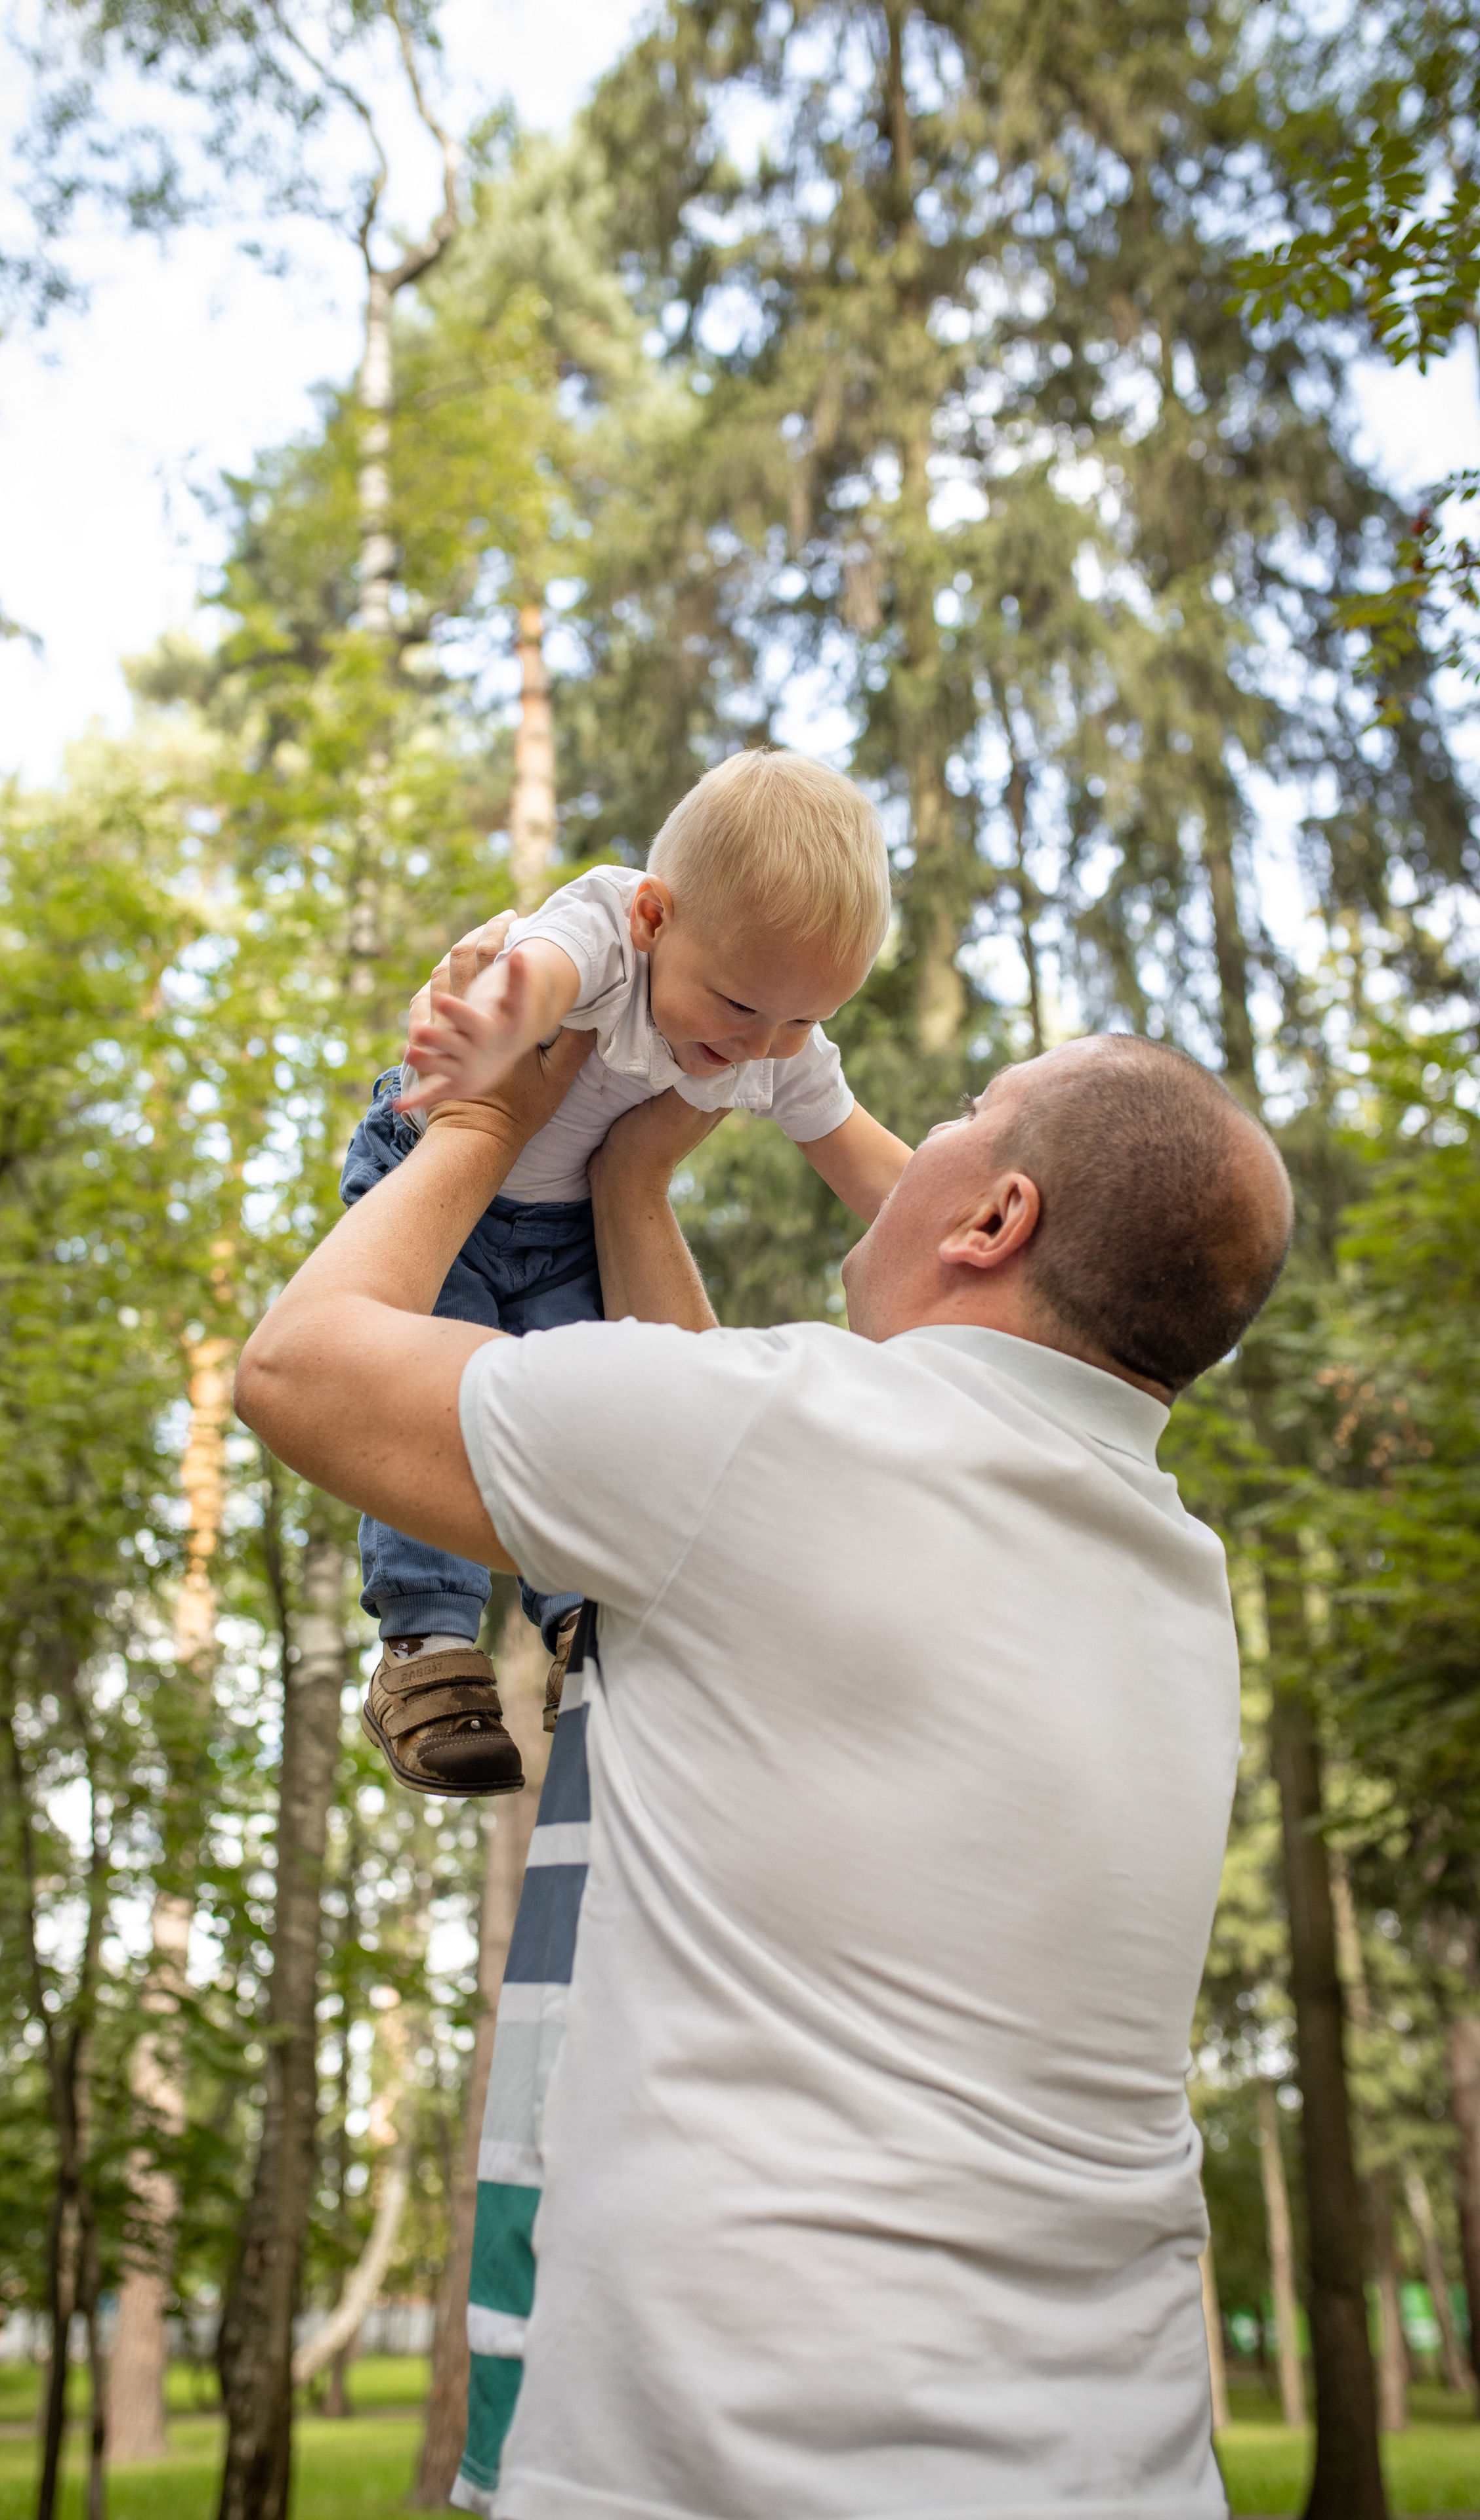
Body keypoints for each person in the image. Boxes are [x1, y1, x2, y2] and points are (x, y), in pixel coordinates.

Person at [234, 1022, 1294, 2520]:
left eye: (965, 1110)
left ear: (996, 1218)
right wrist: (630, 1188)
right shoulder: (1175, 1583)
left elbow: (298, 1368)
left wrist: (476, 1126)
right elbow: (706, 1546)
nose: (926, 1133)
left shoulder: (789, 1439)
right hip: (1117, 2467)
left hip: (733, 2462)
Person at [338, 747, 911, 1799]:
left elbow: (880, 1176)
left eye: (805, 1019)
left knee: (592, 1406)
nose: (764, 1046)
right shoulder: (607, 926)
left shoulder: (776, 1041)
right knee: (428, 1391)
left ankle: (581, 1621)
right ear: (655, 918)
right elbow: (542, 972)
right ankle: (426, 1642)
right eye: (741, 1005)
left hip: (559, 1233)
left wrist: (989, 1238)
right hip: (440, 1188)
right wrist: (492, 1029)